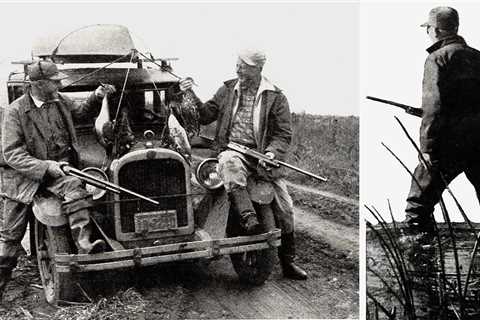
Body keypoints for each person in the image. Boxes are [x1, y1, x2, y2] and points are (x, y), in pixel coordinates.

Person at [179, 49, 307, 280]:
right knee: (229, 164)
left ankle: (288, 262)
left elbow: (283, 134)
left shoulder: (276, 97)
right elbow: (206, 115)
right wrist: (191, 94)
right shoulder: (228, 89)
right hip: (232, 151)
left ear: (258, 68)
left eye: (244, 65)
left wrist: (271, 152)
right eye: (238, 64)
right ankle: (248, 218)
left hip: (263, 159)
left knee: (286, 210)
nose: (238, 69)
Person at [0, 60, 115, 299]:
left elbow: (83, 113)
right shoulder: (15, 111)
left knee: (77, 190)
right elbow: (12, 154)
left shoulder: (60, 100)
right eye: (55, 81)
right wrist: (45, 166)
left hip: (62, 172)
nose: (60, 84)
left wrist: (97, 96)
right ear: (38, 84)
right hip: (25, 180)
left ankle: (84, 246)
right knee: (11, 236)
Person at [405, 7, 480, 236]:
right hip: (479, 144)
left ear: (435, 30)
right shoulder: (477, 57)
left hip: (447, 146)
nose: (428, 32)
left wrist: (427, 149)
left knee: (417, 208)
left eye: (428, 28)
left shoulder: (437, 58)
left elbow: (434, 108)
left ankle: (421, 262)